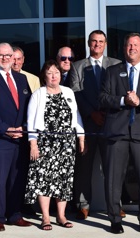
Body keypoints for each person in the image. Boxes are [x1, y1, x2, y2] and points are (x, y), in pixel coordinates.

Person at [99, 32, 140, 234]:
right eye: (129, 45)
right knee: (113, 179)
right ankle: (114, 219)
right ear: (124, 48)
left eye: (136, 45)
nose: (132, 48)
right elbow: (102, 98)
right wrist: (122, 101)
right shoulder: (111, 71)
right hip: (117, 133)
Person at [24, 60, 86, 230]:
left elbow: (76, 115)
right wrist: (33, 145)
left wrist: (81, 138)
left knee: (63, 180)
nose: (53, 76)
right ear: (44, 75)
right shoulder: (38, 94)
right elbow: (30, 121)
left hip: (66, 144)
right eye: (50, 72)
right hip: (45, 143)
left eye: (56, 72)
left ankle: (61, 215)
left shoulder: (68, 92)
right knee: (44, 180)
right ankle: (45, 217)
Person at [67, 30, 122, 220]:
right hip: (88, 124)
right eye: (94, 41)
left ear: (105, 44)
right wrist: (92, 113)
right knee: (84, 167)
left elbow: (119, 91)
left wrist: (106, 113)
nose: (97, 44)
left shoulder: (116, 64)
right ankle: (83, 204)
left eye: (101, 41)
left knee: (112, 168)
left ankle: (115, 205)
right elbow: (75, 94)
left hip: (110, 123)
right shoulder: (77, 67)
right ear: (89, 44)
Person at [0, 42, 32, 232]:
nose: (4, 58)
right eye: (1, 55)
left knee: (16, 179)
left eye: (7, 55)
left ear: (13, 58)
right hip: (0, 139)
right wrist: (5, 129)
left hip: (20, 137)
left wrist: (24, 127)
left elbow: (29, 106)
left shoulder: (21, 79)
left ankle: (14, 214)